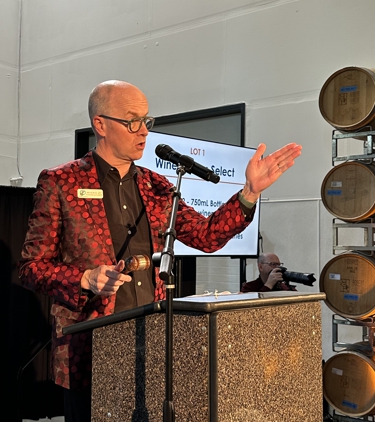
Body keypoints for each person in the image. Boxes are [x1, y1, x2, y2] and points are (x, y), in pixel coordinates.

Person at [18, 80, 302, 421]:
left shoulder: (156, 185)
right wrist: (84, 279)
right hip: (90, 347)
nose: (144, 131)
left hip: (150, 341)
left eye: (147, 120)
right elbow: (32, 266)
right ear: (101, 125)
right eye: (132, 120)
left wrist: (248, 194)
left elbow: (205, 236)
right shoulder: (61, 182)